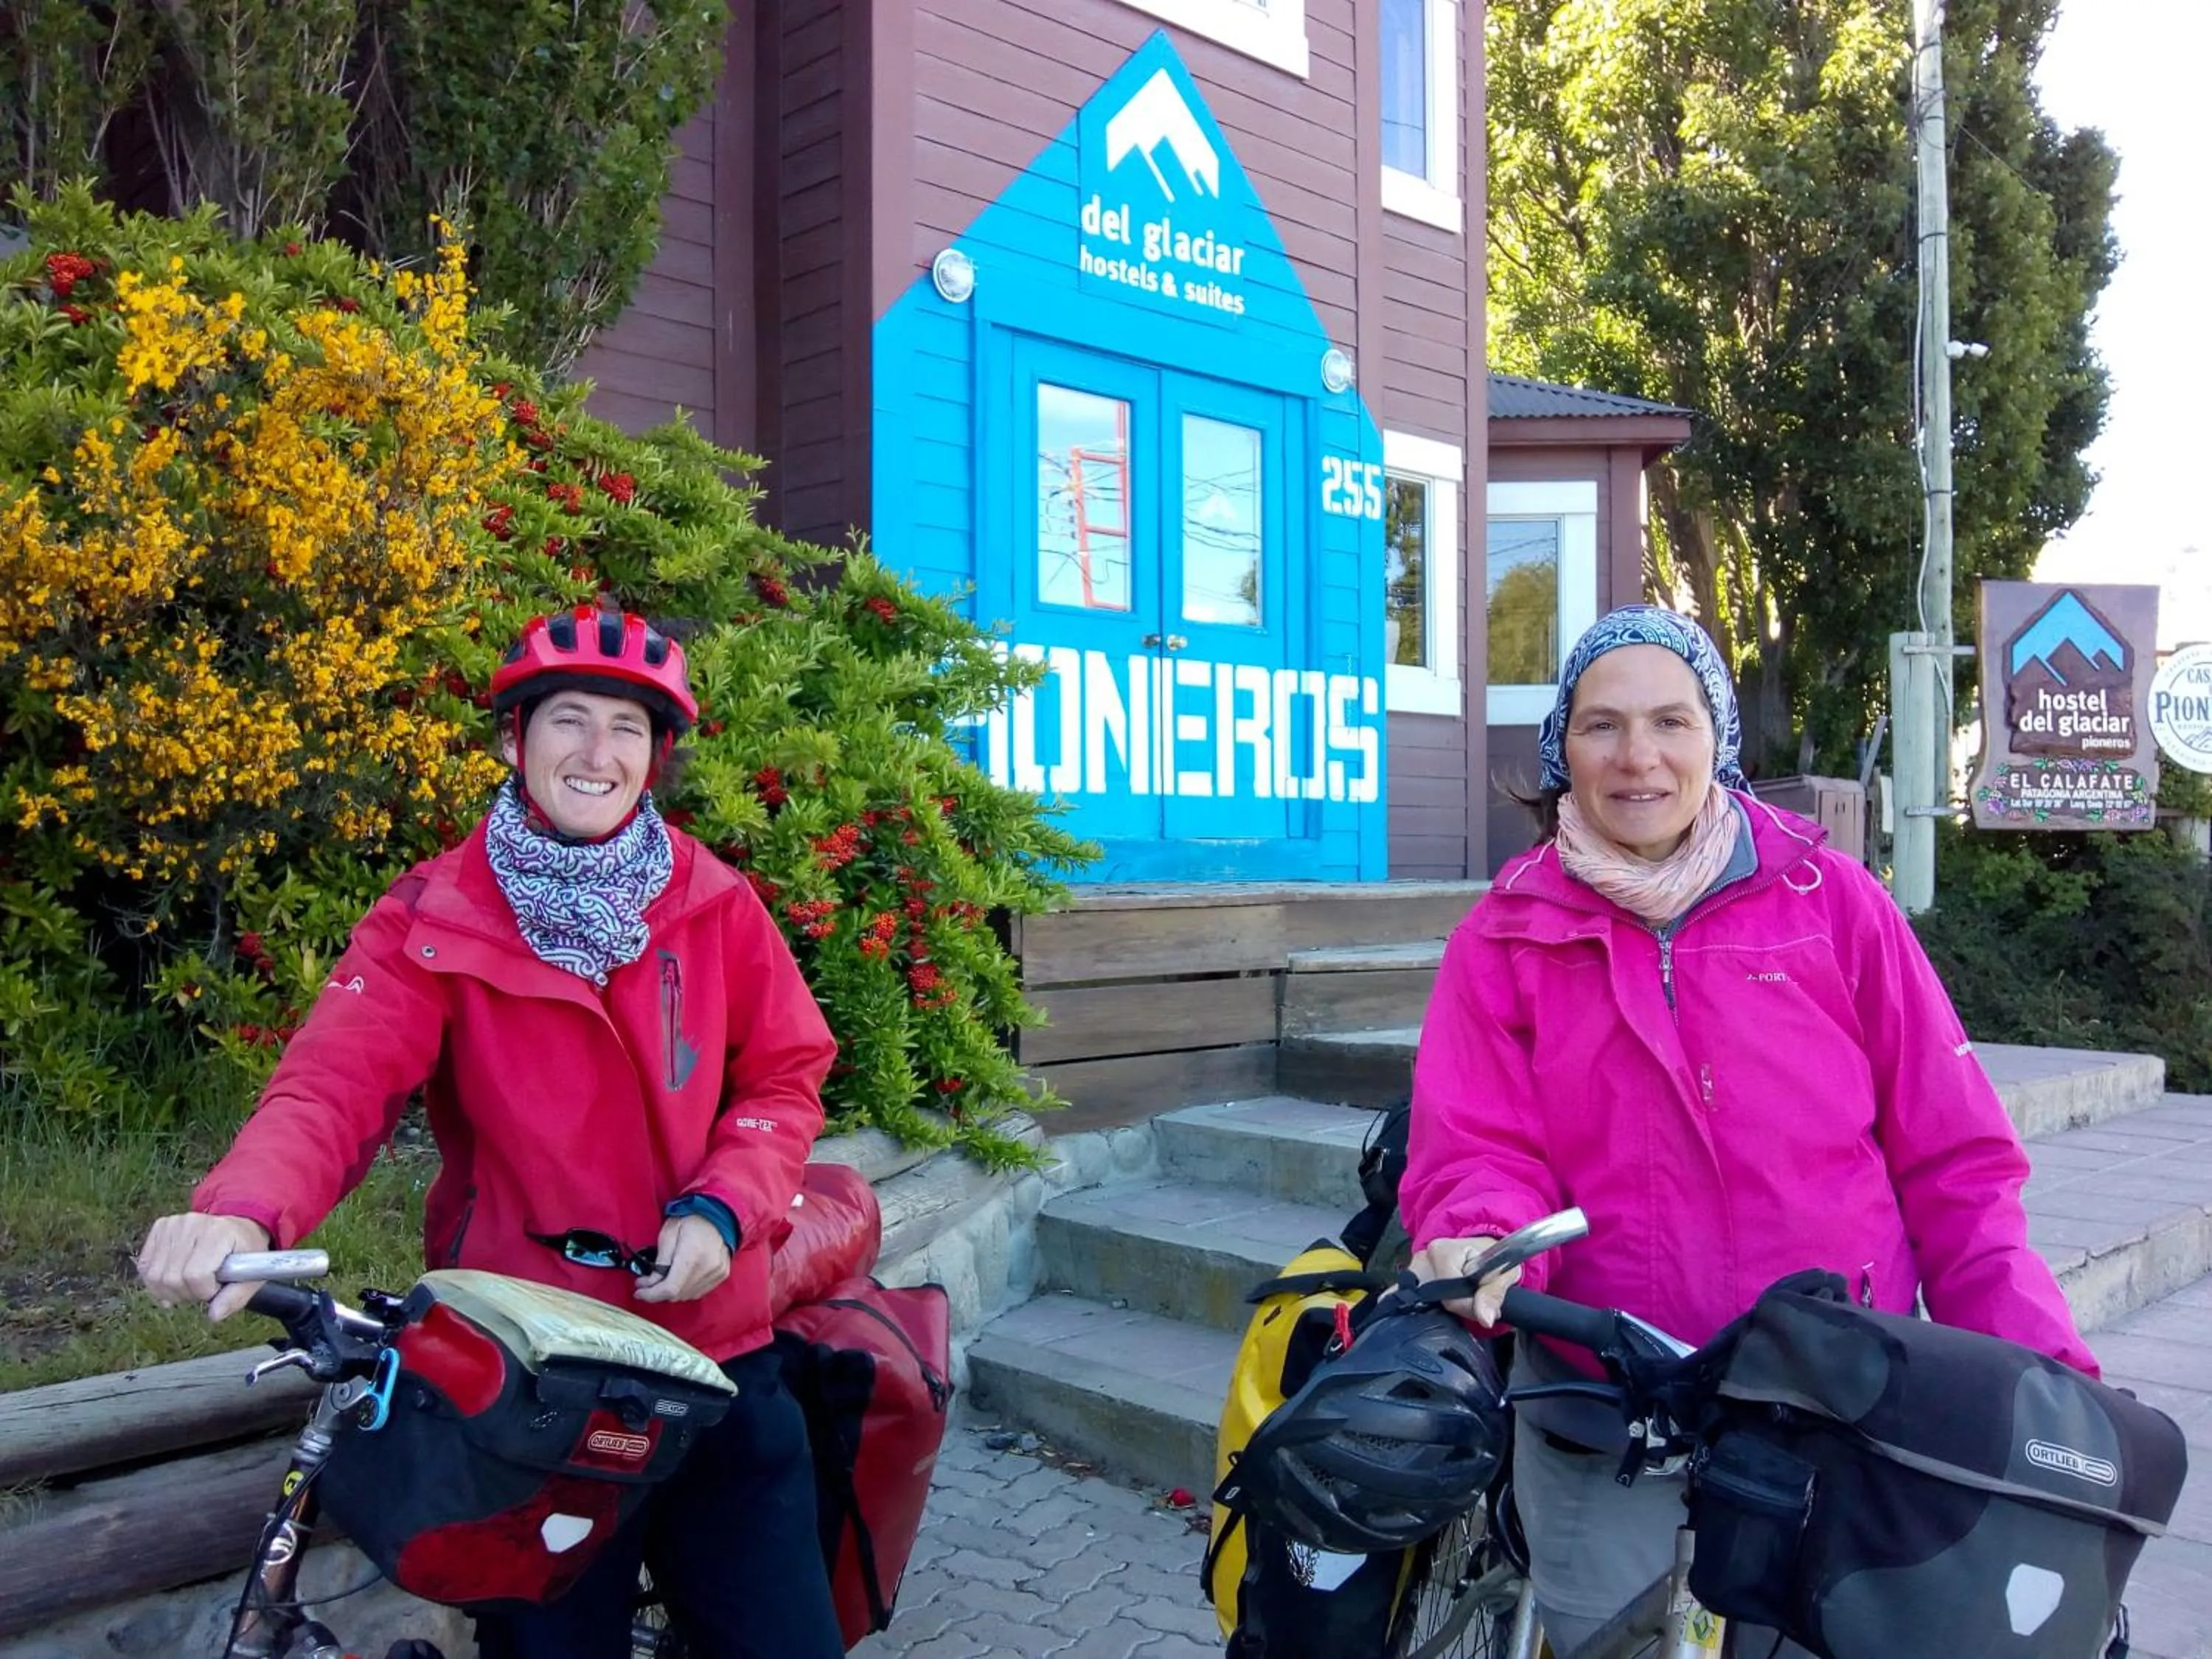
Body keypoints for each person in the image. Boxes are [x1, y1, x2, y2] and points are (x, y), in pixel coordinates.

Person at [136, 596, 846, 1659]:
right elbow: (331, 1087)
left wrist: (726, 1204)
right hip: (533, 1365)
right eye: (570, 718)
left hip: (711, 1345)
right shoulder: (435, 914)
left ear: (655, 758)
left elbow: (786, 1078)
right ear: (517, 739)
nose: (598, 752)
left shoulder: (717, 902)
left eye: (629, 728)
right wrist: (238, 1212)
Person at [1401, 605, 2097, 1650]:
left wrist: (2043, 1382)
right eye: (1602, 725)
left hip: (1830, 1403)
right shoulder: (1503, 936)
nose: (1639, 757)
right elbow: (1483, 1145)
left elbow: (1956, 1167)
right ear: (1562, 749)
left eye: (1671, 721)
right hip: (1606, 1412)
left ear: (1717, 737)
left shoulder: (1836, 905)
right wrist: (1480, 1235)